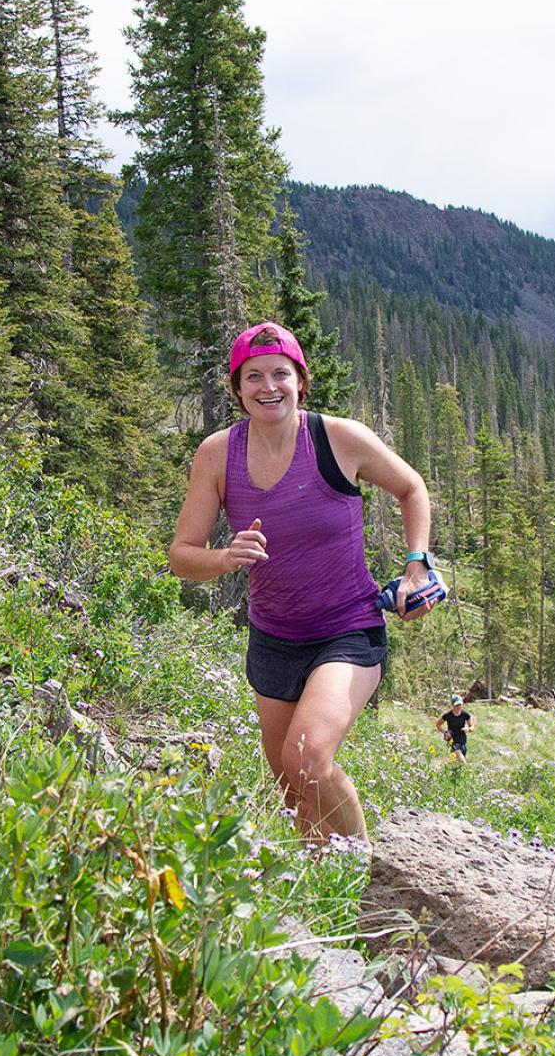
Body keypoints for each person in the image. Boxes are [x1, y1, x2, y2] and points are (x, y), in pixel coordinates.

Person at [169, 322, 446, 843]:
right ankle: (324, 896)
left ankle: (367, 877)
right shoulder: (216, 454)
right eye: (253, 376)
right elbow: (182, 556)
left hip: (348, 629)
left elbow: (412, 488)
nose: (267, 386)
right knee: (292, 788)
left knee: (308, 759)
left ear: (301, 379)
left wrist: (417, 565)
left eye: (280, 373)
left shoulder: (337, 438)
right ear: (237, 388)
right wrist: (226, 557)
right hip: (273, 637)